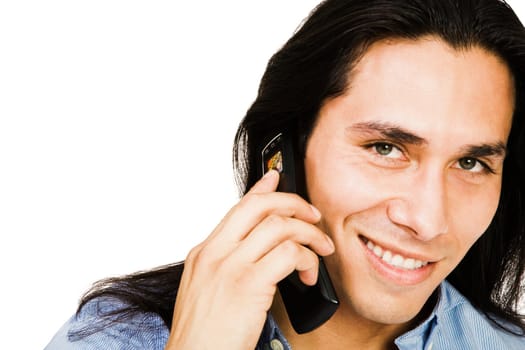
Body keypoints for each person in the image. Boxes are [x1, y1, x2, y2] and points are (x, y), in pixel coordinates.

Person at [46, 0, 525, 349]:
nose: (428, 220)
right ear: (286, 152)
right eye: (385, 148)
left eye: (471, 163)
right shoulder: (115, 340)